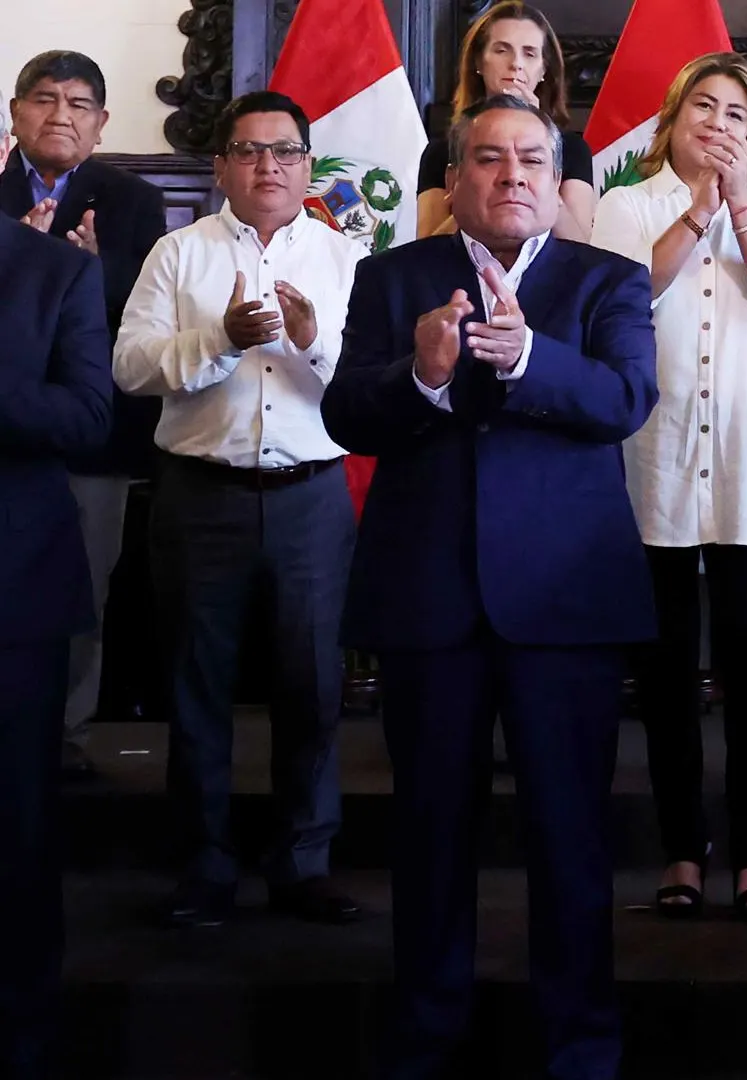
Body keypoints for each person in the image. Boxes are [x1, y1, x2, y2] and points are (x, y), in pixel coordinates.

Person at [322, 94, 656, 1080]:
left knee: (568, 836)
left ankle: (581, 1044)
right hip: (430, 599)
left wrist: (531, 361)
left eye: (530, 162)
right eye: (489, 160)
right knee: (429, 837)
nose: (511, 175)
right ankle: (426, 1036)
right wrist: (421, 378)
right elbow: (347, 412)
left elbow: (626, 401)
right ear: (456, 179)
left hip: (564, 605)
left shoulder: (609, 282)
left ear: (557, 184)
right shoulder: (392, 278)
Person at [114, 91, 366, 929]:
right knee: (196, 686)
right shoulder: (177, 253)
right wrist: (216, 340)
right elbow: (130, 368)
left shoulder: (344, 258)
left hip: (310, 501)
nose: (269, 166)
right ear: (220, 165)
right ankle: (205, 866)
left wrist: (309, 339)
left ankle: (303, 861)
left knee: (313, 685)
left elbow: (367, 386)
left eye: (286, 152)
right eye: (250, 151)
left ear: (307, 166)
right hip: (199, 496)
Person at [591, 52, 747, 920]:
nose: (718, 126)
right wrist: (692, 216)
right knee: (668, 670)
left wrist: (741, 206)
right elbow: (621, 298)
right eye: (704, 110)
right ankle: (683, 849)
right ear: (672, 120)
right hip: (657, 458)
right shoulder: (624, 206)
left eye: (736, 116)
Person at [3, 50, 169, 779]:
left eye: (78, 105)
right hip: (5, 444)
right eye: (44, 100)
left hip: (88, 428)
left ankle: (63, 730)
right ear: (16, 114)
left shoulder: (131, 200)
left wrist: (82, 272)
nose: (59, 116)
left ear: (101, 124)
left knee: (80, 588)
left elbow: (144, 314)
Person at [0, 216, 112, 1080]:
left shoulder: (53, 271)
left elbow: (86, 417)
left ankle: (21, 1038)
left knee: (18, 831)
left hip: (14, 594)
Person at [417, 1, 595, 241]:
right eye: (502, 50)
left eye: (529, 53)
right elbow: (425, 250)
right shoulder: (441, 151)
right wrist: (474, 195)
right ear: (479, 62)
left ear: (544, 70)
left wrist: (536, 135)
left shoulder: (572, 149)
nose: (516, 64)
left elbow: (580, 245)